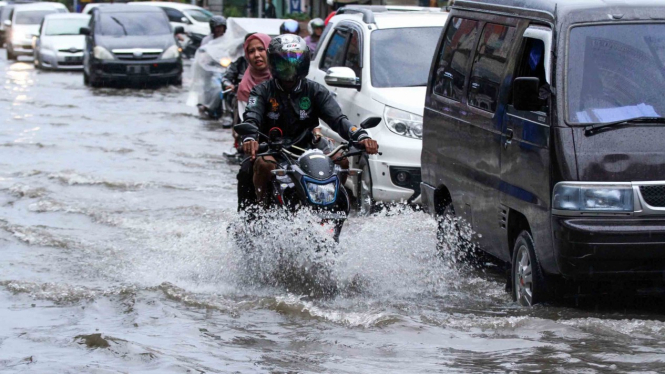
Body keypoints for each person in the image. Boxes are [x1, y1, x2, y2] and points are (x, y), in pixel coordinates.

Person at [235, 35, 379, 208]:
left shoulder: (316, 90)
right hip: (273, 150)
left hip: (308, 149)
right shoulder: (261, 91)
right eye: (283, 62)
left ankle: (332, 206)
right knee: (256, 166)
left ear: (303, 63)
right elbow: (252, 117)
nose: (289, 67)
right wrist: (250, 138)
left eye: (294, 62)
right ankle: (261, 210)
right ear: (273, 63)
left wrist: (361, 136)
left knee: (340, 159)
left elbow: (338, 120)